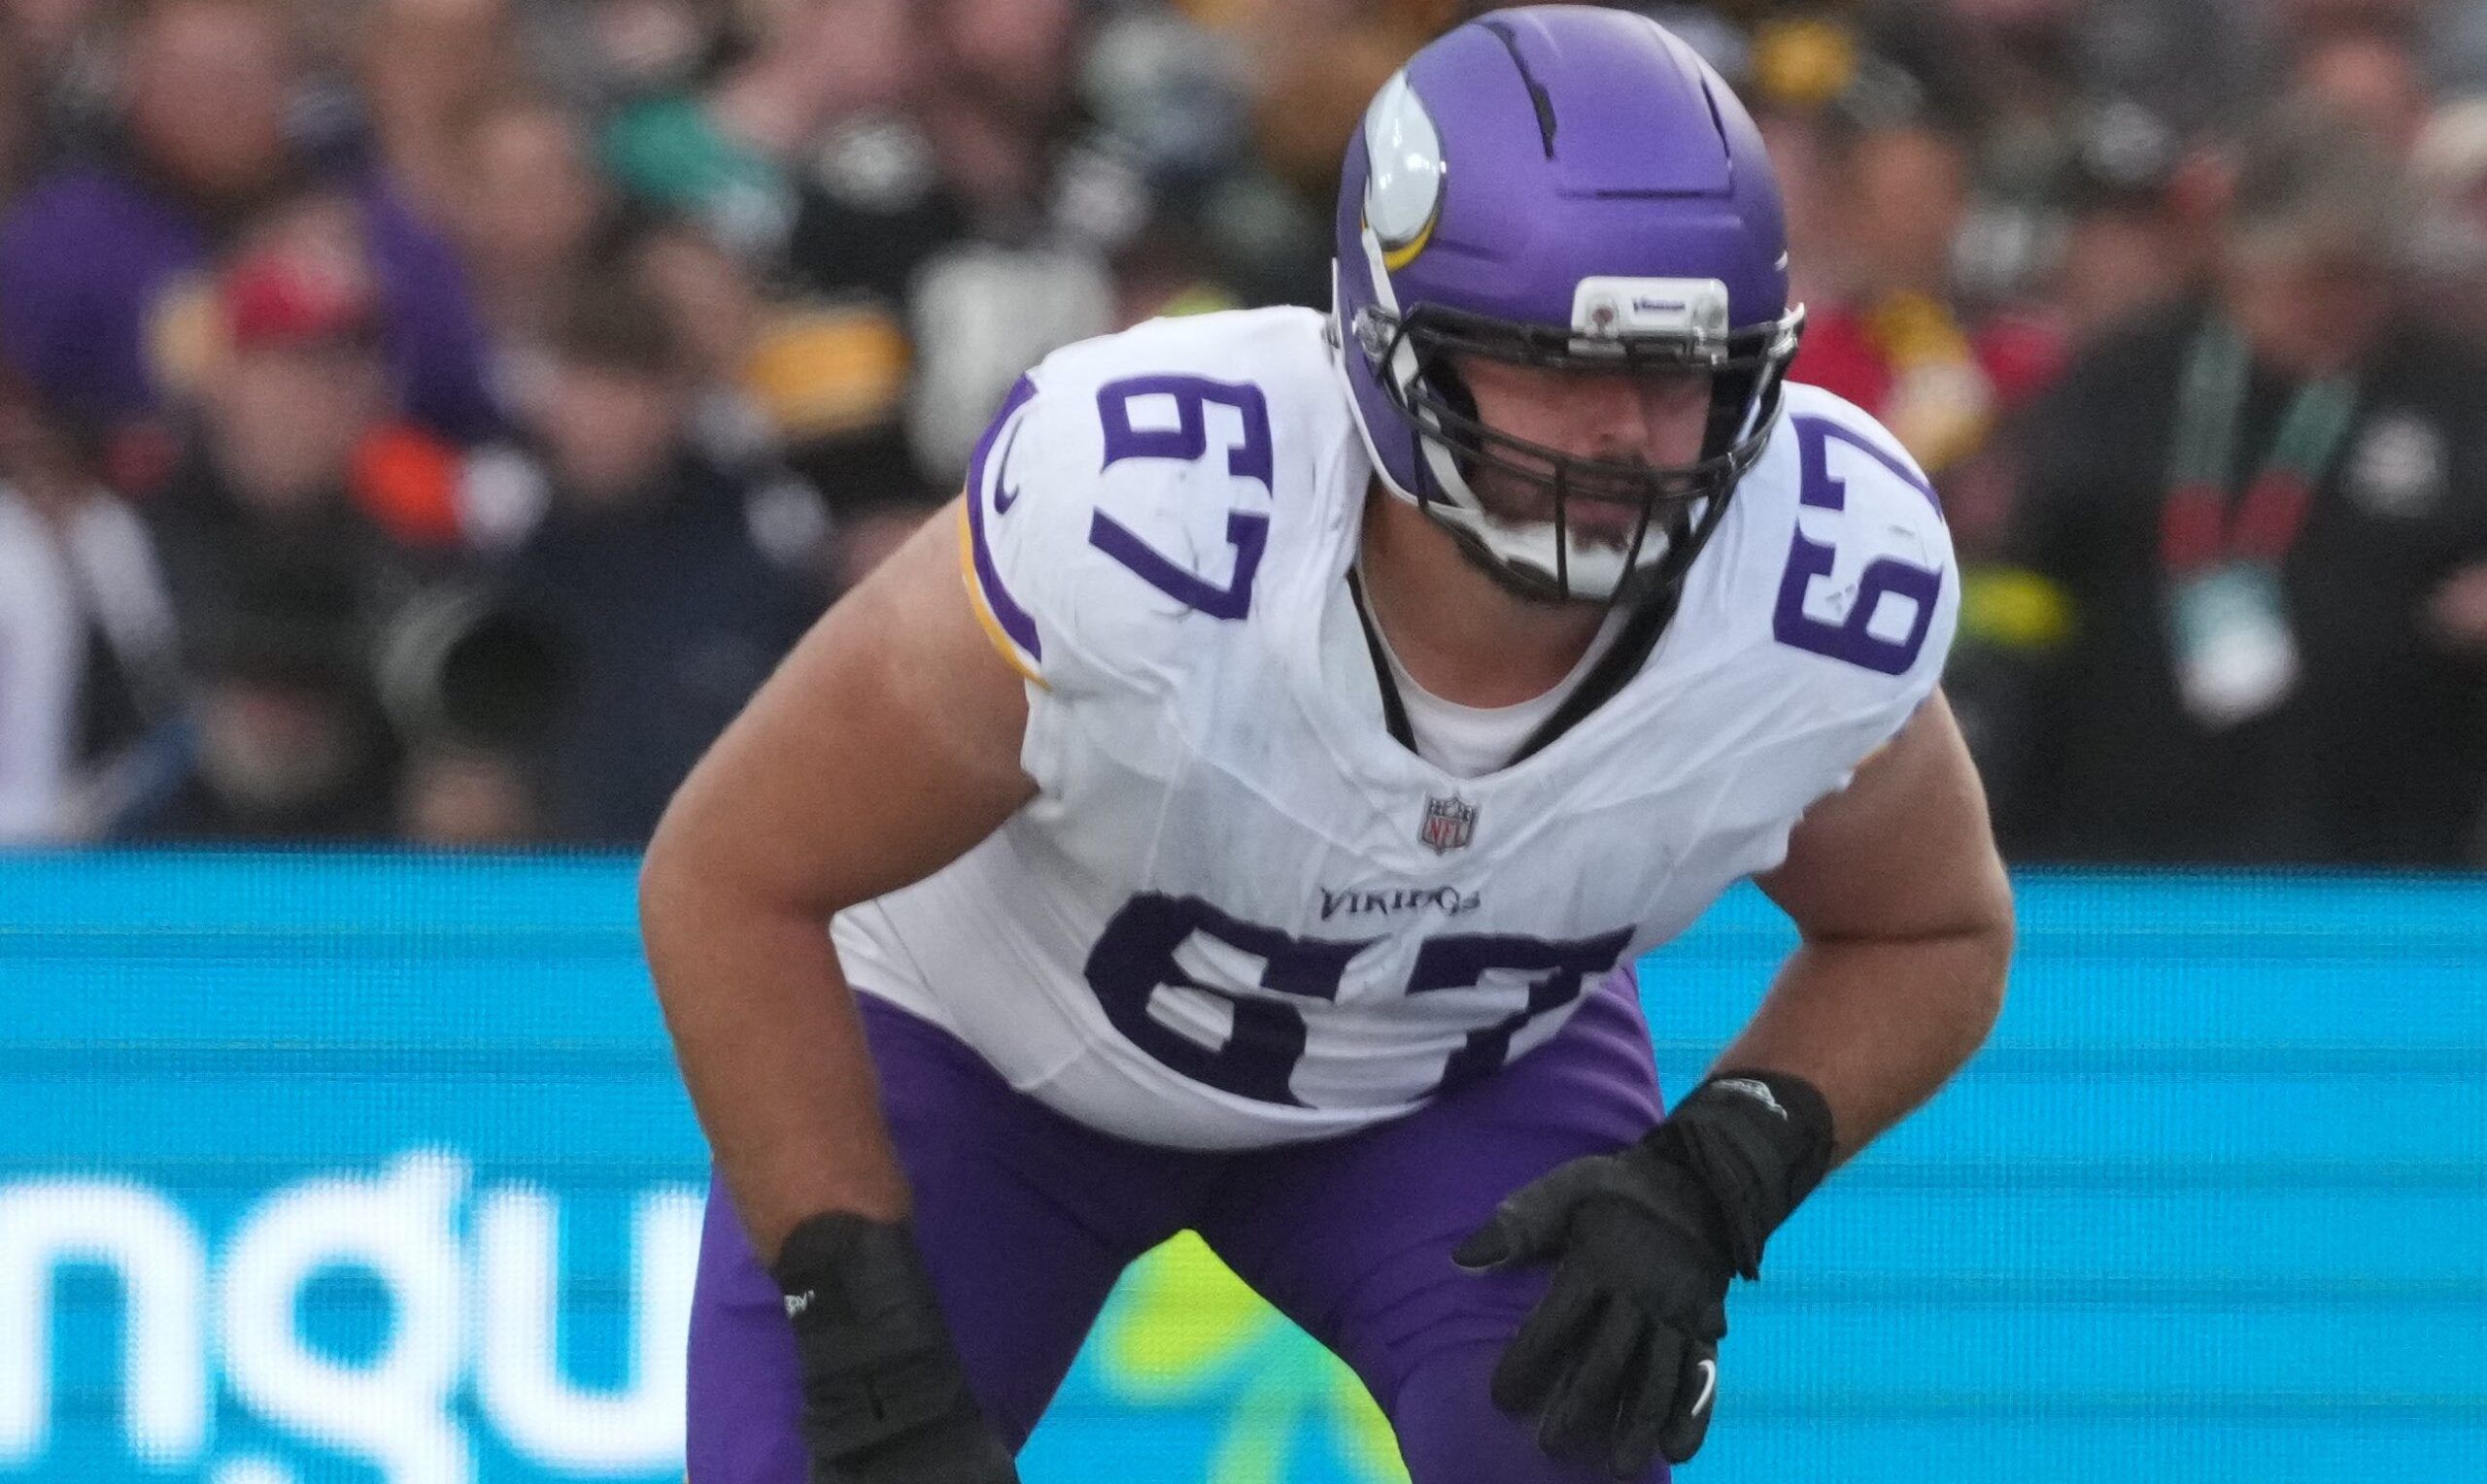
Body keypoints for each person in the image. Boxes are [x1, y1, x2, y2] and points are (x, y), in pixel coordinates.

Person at [639, 10, 2013, 1484]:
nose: (1626, 435)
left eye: (1687, 371)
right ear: (1395, 338)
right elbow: (730, 875)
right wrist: (856, 1319)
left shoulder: (1809, 577)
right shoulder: (1153, 514)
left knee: (1557, 1439)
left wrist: (1721, 1168)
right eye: (1556, 363)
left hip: (1438, 1085)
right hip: (990, 1052)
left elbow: (1930, 928)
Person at [2006, 104, 2487, 863]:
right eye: (2320, 277)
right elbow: (2028, 589)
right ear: (2243, 257)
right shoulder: (2125, 383)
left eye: (2369, 277)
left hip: (2385, 851)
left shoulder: (2450, 392)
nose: (2348, 306)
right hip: (2121, 844)